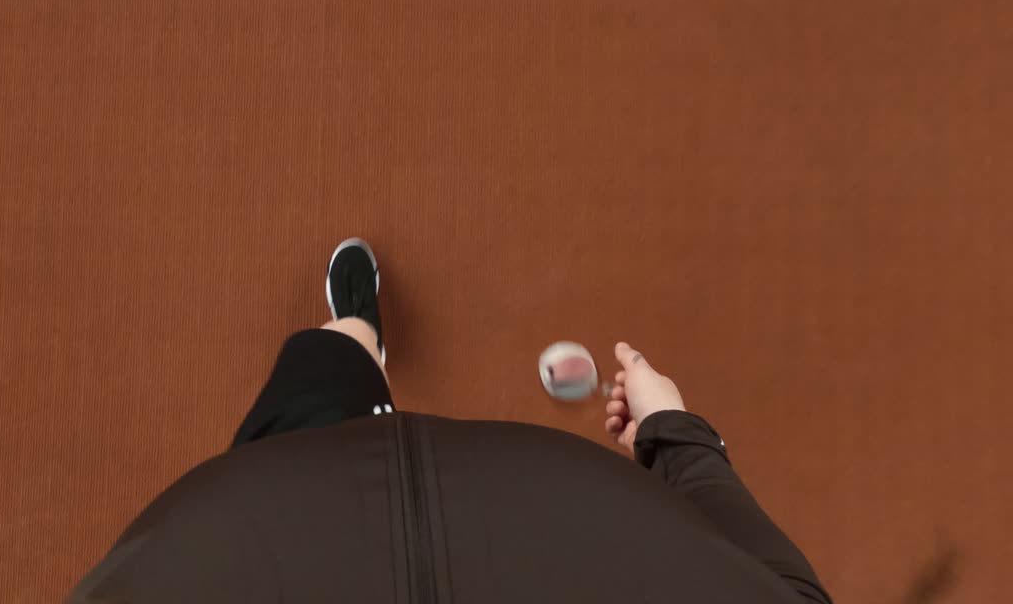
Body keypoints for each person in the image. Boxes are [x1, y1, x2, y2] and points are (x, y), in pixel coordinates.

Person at [66, 238, 832, 603]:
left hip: (285, 519)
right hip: (543, 511)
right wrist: (676, 437)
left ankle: (353, 340)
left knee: (313, 390)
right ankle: (350, 346)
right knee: (301, 424)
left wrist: (678, 437)